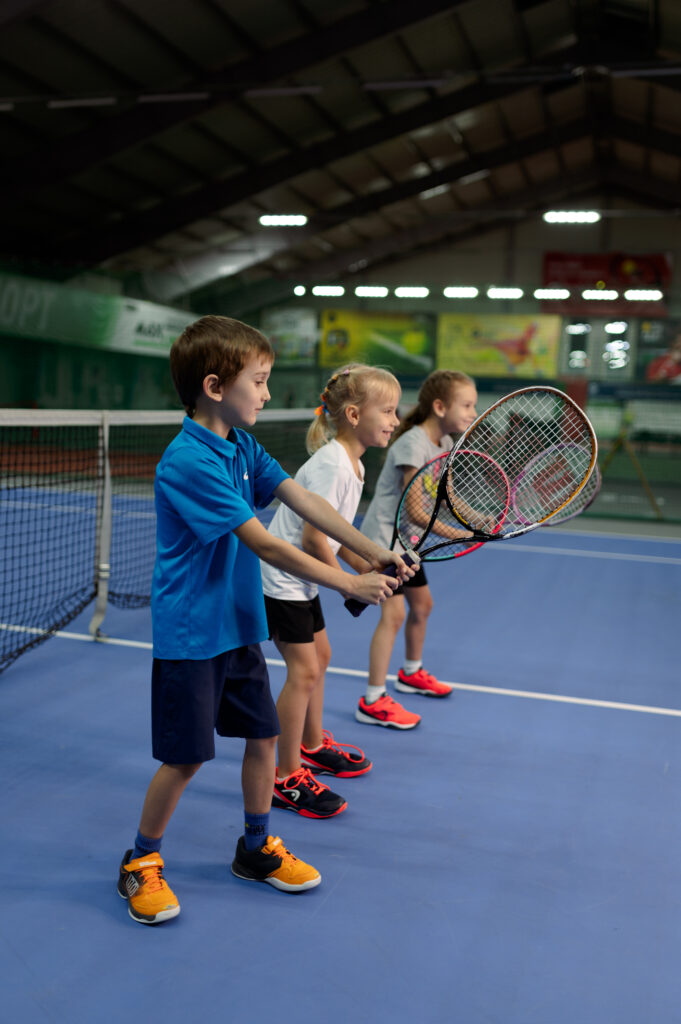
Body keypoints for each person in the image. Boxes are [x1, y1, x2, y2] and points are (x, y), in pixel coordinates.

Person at [117, 316, 413, 926]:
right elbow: (267, 544)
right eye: (259, 380)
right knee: (186, 758)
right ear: (215, 386)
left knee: (264, 737)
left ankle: (255, 849)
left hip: (239, 624)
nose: (268, 393)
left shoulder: (242, 446)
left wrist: (372, 551)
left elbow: (303, 500)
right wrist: (349, 581)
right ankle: (140, 860)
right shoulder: (188, 461)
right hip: (193, 634)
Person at [261, 364, 401, 818]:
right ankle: (285, 777)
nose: (395, 420)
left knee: (320, 657)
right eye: (388, 411)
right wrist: (350, 586)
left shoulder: (352, 464)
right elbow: (312, 538)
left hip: (300, 580)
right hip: (280, 579)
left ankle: (312, 745)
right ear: (354, 415)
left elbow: (335, 539)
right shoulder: (333, 464)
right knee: (303, 671)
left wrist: (373, 566)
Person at [355, 370, 478, 729]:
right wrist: (459, 533)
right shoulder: (413, 443)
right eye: (466, 405)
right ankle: (373, 699)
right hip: (383, 542)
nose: (473, 413)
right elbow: (416, 511)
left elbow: (448, 498)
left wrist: (479, 520)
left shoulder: (445, 444)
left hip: (408, 544)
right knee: (393, 615)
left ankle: (410, 673)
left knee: (422, 606)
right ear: (440, 407)